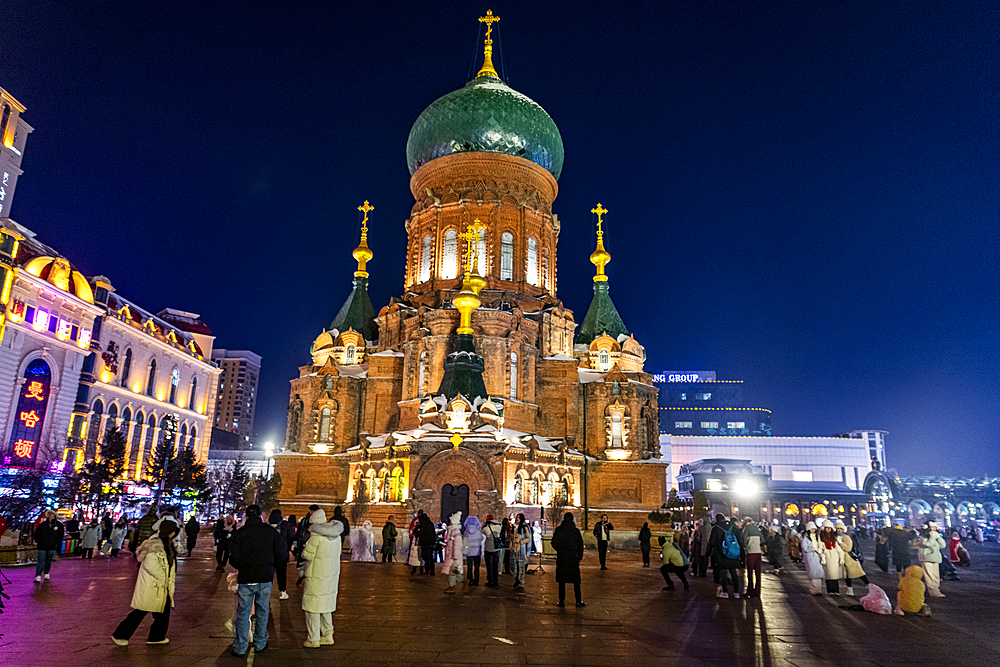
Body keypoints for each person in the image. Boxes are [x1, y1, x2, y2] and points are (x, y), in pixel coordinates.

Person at [227, 505, 285, 656]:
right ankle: (260, 643)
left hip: (246, 577)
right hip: (265, 577)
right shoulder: (270, 532)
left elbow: (233, 558)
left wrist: (243, 565)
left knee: (243, 613)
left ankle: (240, 646)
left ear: (246, 516)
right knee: (262, 611)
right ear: (261, 515)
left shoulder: (240, 533)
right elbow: (282, 554)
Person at [112, 522, 178, 646]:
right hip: (153, 585)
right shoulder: (154, 545)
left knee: (162, 612)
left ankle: (156, 636)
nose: (174, 534)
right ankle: (120, 634)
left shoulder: (168, 545)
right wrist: (163, 578)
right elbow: (150, 564)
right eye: (172, 531)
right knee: (141, 611)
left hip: (161, 586)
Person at [300, 509, 344, 648]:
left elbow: (307, 555)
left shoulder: (315, 537)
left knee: (312, 608)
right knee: (325, 607)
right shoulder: (336, 537)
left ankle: (313, 639)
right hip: (330, 576)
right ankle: (328, 635)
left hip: (316, 576)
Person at [551, 512, 585, 607]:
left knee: (562, 580)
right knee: (576, 581)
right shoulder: (576, 532)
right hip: (573, 558)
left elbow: (554, 542)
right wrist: (579, 557)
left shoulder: (559, 530)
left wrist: (560, 550)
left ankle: (561, 601)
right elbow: (580, 546)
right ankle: (578, 600)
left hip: (562, 558)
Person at [709, 513, 744, 599]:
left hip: (721, 554)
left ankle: (725, 592)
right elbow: (739, 540)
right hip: (733, 553)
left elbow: (712, 542)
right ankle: (736, 593)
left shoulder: (716, 528)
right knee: (733, 572)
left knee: (723, 572)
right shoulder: (733, 527)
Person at [835, 520, 868, 595]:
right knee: (847, 576)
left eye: (841, 529)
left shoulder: (846, 537)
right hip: (843, 559)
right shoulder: (836, 537)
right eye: (838, 529)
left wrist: (840, 543)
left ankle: (870, 586)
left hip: (850, 559)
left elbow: (848, 548)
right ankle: (850, 590)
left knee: (860, 574)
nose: (839, 530)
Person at [916, 521, 947, 598]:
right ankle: (932, 590)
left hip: (935, 558)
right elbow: (927, 544)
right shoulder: (924, 536)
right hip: (926, 557)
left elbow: (943, 545)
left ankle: (936, 589)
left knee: (936, 575)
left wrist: (939, 537)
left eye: (935, 527)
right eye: (933, 527)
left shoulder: (935, 535)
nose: (934, 529)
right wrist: (932, 537)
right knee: (930, 575)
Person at [33, 509, 64, 582]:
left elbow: (60, 535)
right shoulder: (43, 525)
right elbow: (37, 533)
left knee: (48, 560)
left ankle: (46, 572)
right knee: (41, 560)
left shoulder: (58, 525)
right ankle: (38, 575)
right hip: (42, 545)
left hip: (51, 545)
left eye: (51, 514)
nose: (50, 515)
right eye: (49, 514)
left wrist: (56, 543)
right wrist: (38, 541)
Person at [267, 509, 292, 600]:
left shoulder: (267, 526)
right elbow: (290, 538)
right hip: (282, 554)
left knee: (269, 573)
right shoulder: (285, 525)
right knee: (281, 574)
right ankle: (282, 592)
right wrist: (287, 549)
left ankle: (267, 592)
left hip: (270, 554)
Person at [294, 505, 319, 584]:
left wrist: (296, 541)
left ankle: (303, 574)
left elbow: (299, 531)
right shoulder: (318, 521)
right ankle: (307, 575)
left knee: (303, 557)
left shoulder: (304, 520)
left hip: (304, 541)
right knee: (309, 558)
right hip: (311, 541)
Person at [818, 520, 844, 596]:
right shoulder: (821, 537)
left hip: (834, 556)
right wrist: (823, 556)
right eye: (827, 528)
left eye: (830, 528)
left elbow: (838, 547)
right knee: (828, 575)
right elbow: (820, 547)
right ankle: (830, 590)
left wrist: (841, 557)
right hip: (827, 556)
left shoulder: (834, 537)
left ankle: (836, 590)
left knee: (835, 575)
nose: (828, 530)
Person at [441, 512, 465, 594]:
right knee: (454, 571)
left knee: (453, 572)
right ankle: (462, 582)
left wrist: (455, 556)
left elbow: (458, 545)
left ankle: (453, 586)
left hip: (454, 556)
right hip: (451, 555)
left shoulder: (456, 531)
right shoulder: (452, 530)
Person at [800, 521, 824, 595]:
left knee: (818, 574)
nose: (813, 531)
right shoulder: (806, 538)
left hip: (817, 557)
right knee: (812, 574)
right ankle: (813, 590)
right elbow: (805, 548)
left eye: (814, 529)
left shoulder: (818, 537)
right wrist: (813, 549)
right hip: (810, 557)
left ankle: (819, 589)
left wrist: (820, 550)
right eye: (811, 529)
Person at [742, 519, 763, 597]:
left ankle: (750, 591)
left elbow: (744, 539)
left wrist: (747, 547)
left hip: (751, 552)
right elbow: (762, 539)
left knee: (750, 572)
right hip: (758, 552)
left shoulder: (747, 528)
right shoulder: (757, 529)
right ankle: (757, 591)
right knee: (758, 572)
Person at [511, 513, 531, 590]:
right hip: (514, 549)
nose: (516, 519)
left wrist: (521, 541)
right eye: (516, 517)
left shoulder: (524, 527)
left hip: (520, 549)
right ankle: (516, 580)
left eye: (518, 517)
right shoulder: (514, 526)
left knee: (521, 567)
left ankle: (521, 582)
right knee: (514, 567)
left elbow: (528, 538)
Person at [482, 514, 503, 587]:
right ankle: (496, 580)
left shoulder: (486, 528)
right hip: (496, 548)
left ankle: (490, 580)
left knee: (489, 566)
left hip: (488, 548)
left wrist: (485, 524)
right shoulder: (499, 526)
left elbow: (482, 530)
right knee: (495, 565)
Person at [464, 515, 483, 585]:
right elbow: (482, 538)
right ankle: (476, 580)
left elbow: (464, 541)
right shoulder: (478, 532)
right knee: (477, 566)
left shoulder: (466, 532)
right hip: (477, 551)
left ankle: (470, 579)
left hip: (469, 551)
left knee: (469, 566)